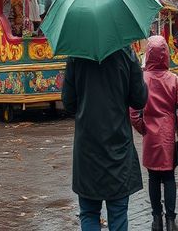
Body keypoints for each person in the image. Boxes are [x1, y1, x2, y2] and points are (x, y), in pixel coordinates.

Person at [62, 46, 148, 231]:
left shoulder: (76, 56)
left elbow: (68, 103)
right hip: (118, 145)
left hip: (87, 148)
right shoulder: (126, 54)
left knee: (89, 213)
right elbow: (140, 99)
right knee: (118, 213)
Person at [130, 35, 178, 231]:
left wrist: (143, 128)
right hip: (168, 136)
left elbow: (133, 112)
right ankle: (171, 220)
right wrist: (177, 125)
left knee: (153, 178)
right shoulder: (173, 80)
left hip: (150, 135)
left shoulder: (142, 79)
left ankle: (156, 219)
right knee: (169, 177)